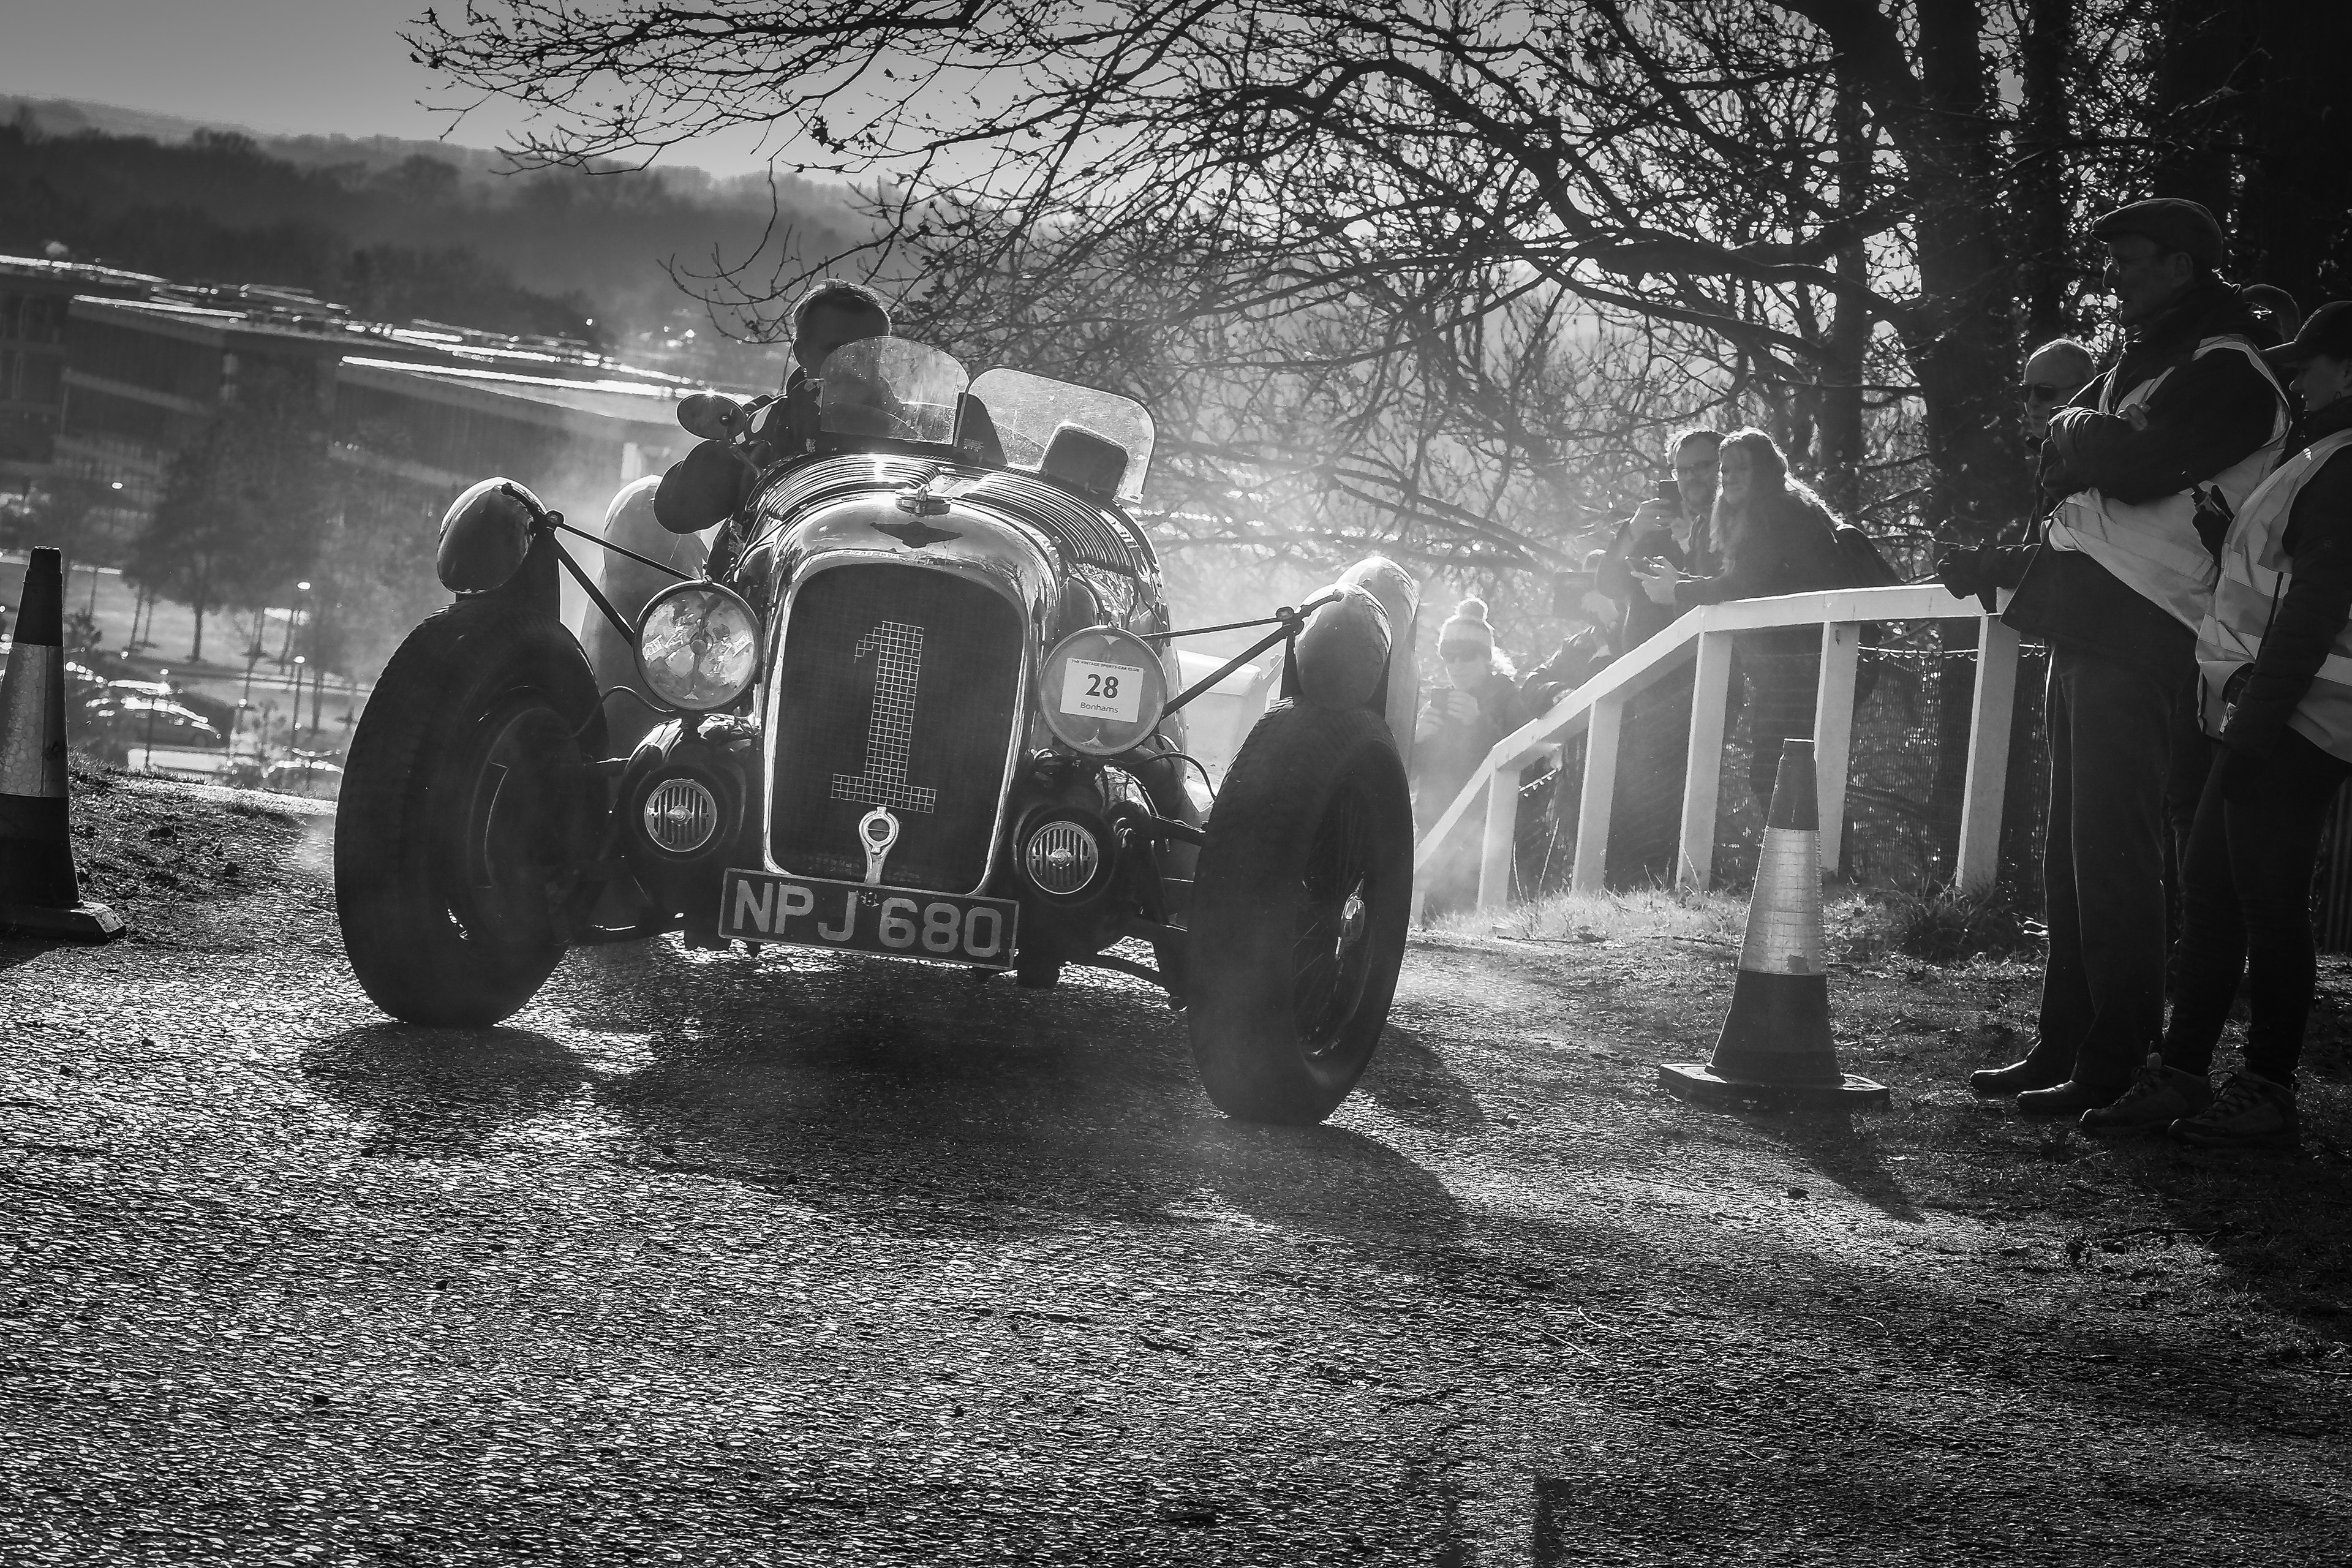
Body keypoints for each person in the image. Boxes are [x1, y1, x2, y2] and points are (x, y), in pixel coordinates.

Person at [1964, 197, 2290, 1117]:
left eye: (2134, 261)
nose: (2117, 277)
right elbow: (2075, 455)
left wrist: (2081, 438)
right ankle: (2066, 1041)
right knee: (2074, 850)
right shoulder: (2156, 362)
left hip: (2148, 624)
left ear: (2184, 267)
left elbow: (2135, 468)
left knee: (2111, 848)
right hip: (2095, 617)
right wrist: (2084, 439)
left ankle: (2112, 1057)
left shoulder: (2227, 369)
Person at [2082, 301, 2352, 1147]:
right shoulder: (2319, 457)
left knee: (2267, 907)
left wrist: (2257, 725)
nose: (2297, 374)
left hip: (2296, 720)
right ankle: (2185, 1073)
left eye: (2312, 361)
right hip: (2266, 714)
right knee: (2212, 895)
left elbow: (2314, 611)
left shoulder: (2341, 464)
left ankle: (2266, 1086)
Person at [1638, 428, 1853, 804]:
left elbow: (1747, 583)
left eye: (1742, 469)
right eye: (1725, 471)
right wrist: (1682, 582)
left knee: (1782, 777)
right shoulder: (1746, 516)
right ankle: (1816, 863)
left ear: (1766, 473)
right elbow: (1740, 581)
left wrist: (1680, 589)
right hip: (1790, 667)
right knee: (1778, 777)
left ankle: (1823, 863)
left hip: (1813, 662)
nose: (1731, 479)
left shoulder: (1779, 510)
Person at [1412, 598, 1535, 914]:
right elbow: (1411, 774)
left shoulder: (1510, 698)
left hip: (1485, 832)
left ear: (1487, 658)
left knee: (1465, 912)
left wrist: (1478, 726)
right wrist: (1416, 742)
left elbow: (1525, 763)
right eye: (1448, 656)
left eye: (1467, 655)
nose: (1457, 665)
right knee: (1427, 913)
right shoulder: (1436, 703)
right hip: (1433, 824)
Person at [1597, 429, 1722, 649]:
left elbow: (1725, 588)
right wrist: (1631, 534)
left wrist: (1689, 542)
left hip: (1701, 660)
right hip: (1643, 668)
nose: (1690, 477)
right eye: (1682, 471)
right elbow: (1609, 586)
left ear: (1724, 467)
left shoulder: (1735, 522)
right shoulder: (1655, 533)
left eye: (1701, 467)